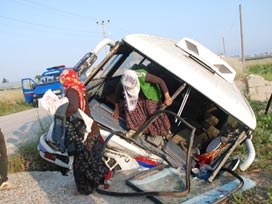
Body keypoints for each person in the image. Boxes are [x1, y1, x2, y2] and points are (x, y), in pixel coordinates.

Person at [59, 69, 110, 195]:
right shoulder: (81, 88)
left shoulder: (70, 90)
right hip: (91, 127)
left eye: (62, 79)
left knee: (81, 162)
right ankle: (104, 177)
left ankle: (86, 187)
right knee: (92, 157)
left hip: (83, 130)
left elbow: (74, 107)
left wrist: (60, 112)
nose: (62, 81)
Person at [112, 68, 173, 137]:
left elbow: (161, 81)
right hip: (137, 99)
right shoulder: (123, 80)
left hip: (150, 96)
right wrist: (116, 109)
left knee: (151, 111)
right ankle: (136, 129)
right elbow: (117, 94)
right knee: (129, 106)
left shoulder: (142, 75)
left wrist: (167, 97)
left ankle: (164, 131)